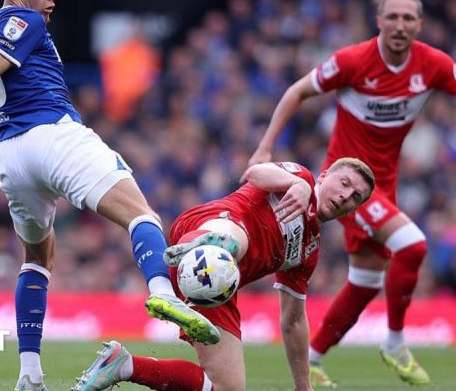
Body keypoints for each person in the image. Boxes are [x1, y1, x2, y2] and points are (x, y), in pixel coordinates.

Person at [0, 0, 221, 391]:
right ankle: (163, 294)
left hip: (9, 158)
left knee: (38, 257)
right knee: (141, 215)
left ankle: (29, 375)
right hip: (52, 134)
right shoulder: (24, 21)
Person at [248, 0, 456, 388]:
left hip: (384, 185)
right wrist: (264, 147)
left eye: (408, 19)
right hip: (349, 185)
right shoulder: (352, 61)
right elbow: (297, 91)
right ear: (379, 21)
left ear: (419, 25)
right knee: (413, 244)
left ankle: (312, 359)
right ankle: (396, 343)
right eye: (393, 17)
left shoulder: (432, 64)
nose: (400, 25)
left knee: (366, 282)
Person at [72, 158, 375, 391]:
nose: (346, 196)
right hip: (209, 223)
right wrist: (297, 185)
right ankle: (213, 243)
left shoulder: (308, 251)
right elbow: (256, 172)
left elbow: (294, 320)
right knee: (233, 240)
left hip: (215, 286)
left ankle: (123, 365)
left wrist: (303, 386)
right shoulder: (301, 178)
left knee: (227, 387)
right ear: (325, 176)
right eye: (344, 183)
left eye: (355, 198)